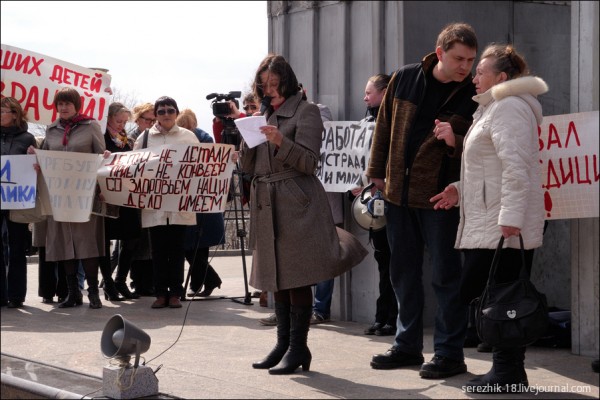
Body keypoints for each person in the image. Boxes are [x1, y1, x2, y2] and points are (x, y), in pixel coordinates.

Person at [430, 44, 548, 392]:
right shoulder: (494, 109)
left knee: (501, 298)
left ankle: (507, 372)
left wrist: (511, 218)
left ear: (502, 77)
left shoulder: (509, 107)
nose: (474, 78)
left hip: (503, 226)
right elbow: (489, 171)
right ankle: (507, 370)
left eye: (480, 71)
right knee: (495, 297)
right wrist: (458, 189)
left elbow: (517, 167)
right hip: (493, 221)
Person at [241, 54, 367, 375]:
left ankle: (298, 347)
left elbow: (310, 163)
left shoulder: (307, 111)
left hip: (298, 203)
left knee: (297, 277)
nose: (270, 89)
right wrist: (247, 140)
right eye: (264, 85)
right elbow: (248, 168)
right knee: (277, 277)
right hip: (267, 203)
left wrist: (280, 139)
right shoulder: (263, 114)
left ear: (287, 80)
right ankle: (284, 345)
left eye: (274, 83)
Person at [366, 23, 478, 378]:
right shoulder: (405, 77)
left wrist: (455, 139)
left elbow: (479, 145)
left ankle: (449, 353)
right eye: (459, 58)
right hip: (398, 192)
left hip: (442, 197)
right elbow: (383, 125)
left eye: (471, 60)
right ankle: (407, 346)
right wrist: (376, 171)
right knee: (403, 272)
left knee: (446, 276)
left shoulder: (472, 93)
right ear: (440, 52)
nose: (466, 67)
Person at [28, 87, 106, 309]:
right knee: (64, 243)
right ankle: (73, 293)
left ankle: (93, 292)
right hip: (59, 195)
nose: (63, 108)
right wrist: (35, 158)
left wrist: (103, 182)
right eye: (59, 104)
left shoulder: (91, 126)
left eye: (67, 104)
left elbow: (101, 156)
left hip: (85, 195)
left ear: (76, 105)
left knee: (87, 243)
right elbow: (46, 158)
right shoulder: (51, 129)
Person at [133, 97, 199, 309]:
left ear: (176, 113)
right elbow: (133, 167)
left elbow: (202, 166)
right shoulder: (143, 138)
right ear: (156, 114)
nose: (166, 114)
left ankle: (176, 293)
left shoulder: (188, 137)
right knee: (158, 250)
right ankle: (161, 292)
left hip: (180, 203)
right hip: (155, 204)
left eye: (170, 110)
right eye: (161, 111)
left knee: (178, 249)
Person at [355, 74, 398, 337]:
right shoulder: (365, 125)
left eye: (369, 92)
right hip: (374, 203)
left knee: (395, 263)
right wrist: (354, 184)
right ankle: (383, 316)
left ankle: (392, 318)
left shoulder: (393, 121)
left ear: (384, 92)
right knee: (384, 261)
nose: (365, 97)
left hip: (393, 201)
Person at [176, 109, 225, 297]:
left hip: (196, 202)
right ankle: (199, 283)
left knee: (189, 246)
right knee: (198, 247)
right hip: (205, 202)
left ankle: (208, 280)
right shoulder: (205, 139)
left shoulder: (193, 140)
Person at [100, 102, 142, 300]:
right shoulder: (101, 137)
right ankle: (108, 283)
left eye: (125, 121)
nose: (121, 125)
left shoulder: (126, 139)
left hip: (126, 194)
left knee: (132, 236)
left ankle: (120, 280)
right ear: (108, 118)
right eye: (118, 120)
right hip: (106, 195)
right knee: (105, 238)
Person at [0, 97, 38, 308]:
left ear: (15, 114)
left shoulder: (27, 138)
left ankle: (16, 295)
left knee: (16, 247)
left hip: (17, 200)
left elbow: (36, 168)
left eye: (3, 111)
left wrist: (35, 158)